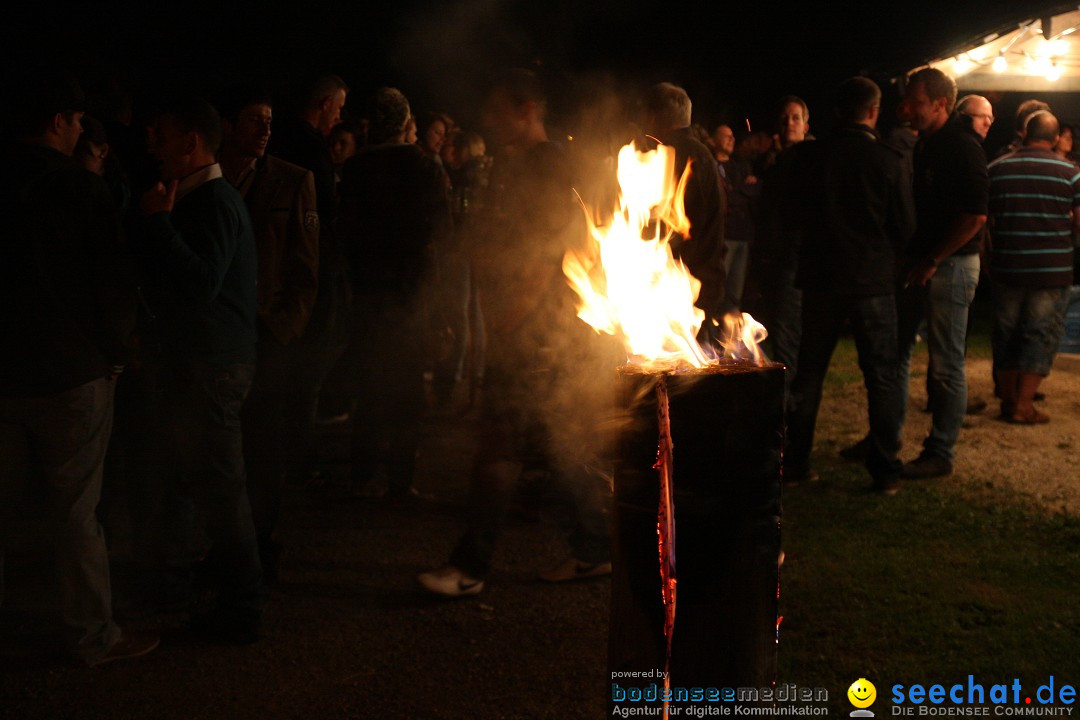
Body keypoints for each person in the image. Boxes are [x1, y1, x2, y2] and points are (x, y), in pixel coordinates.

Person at [418, 69, 614, 597]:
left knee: (500, 448)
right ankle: (595, 547)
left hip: (537, 330)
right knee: (553, 444)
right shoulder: (515, 163)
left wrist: (509, 322)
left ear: (528, 110)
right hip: (532, 327)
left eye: (498, 108)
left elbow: (548, 250)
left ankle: (470, 567)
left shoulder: (548, 164)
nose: (487, 118)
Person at [0, 70, 156, 666]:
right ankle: (91, 633)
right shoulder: (79, 189)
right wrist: (118, 352)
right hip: (70, 375)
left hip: (5, 372)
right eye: (74, 121)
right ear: (58, 123)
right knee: (74, 511)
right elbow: (111, 284)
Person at [138, 96, 266, 642]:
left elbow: (199, 283)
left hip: (213, 368)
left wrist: (160, 226)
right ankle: (186, 585)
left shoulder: (213, 201)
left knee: (221, 491)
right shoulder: (203, 196)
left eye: (162, 134)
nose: (153, 145)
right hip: (202, 363)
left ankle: (242, 611)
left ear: (191, 141)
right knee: (197, 483)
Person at [784, 77, 915, 495]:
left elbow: (795, 216)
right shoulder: (888, 159)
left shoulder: (809, 157)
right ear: (873, 112)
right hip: (872, 281)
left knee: (809, 375)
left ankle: (797, 461)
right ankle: (885, 470)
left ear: (838, 111)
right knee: (882, 375)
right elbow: (905, 226)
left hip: (821, 278)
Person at [217, 84, 320, 582]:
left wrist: (283, 328)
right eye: (254, 119)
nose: (264, 130)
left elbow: (306, 266)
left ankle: (258, 545)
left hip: (266, 334)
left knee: (262, 447)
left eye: (270, 121)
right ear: (228, 125)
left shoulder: (292, 181)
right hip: (220, 335)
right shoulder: (208, 177)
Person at [335, 87, 451, 498]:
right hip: (411, 292)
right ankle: (400, 479)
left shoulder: (353, 170)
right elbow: (439, 237)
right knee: (406, 389)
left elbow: (344, 235)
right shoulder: (425, 167)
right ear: (405, 124)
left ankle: (361, 475)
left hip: (368, 290)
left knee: (369, 385)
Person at [897, 68, 988, 479]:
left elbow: (975, 217)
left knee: (947, 363)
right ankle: (886, 434)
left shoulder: (962, 147)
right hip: (926, 264)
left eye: (916, 102)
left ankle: (941, 452)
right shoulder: (927, 144)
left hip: (950, 266)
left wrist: (934, 258)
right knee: (897, 351)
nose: (907, 109)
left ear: (941, 104)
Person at [268, 73, 352, 475]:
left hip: (282, 265)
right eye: (337, 107)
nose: (340, 116)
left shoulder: (282, 140)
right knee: (313, 356)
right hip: (312, 266)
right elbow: (325, 215)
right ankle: (296, 448)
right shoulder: (311, 148)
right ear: (323, 104)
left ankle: (286, 441)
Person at [987, 111, 1079, 423]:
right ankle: (1023, 406)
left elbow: (984, 220)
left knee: (1006, 333)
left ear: (1025, 134)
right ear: (1055, 139)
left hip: (1008, 264)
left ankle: (1007, 400)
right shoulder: (1071, 173)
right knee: (1039, 334)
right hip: (1051, 269)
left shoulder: (996, 168)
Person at [641, 82, 727, 338]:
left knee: (684, 370)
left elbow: (672, 229)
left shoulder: (671, 157)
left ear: (652, 116)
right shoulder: (698, 153)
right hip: (701, 279)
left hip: (684, 284)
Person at [744, 95, 813, 390]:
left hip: (793, 260)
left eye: (796, 118)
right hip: (768, 259)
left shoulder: (810, 159)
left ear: (806, 124)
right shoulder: (772, 161)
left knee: (786, 337)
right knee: (767, 333)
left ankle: (786, 407)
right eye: (785, 118)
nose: (790, 124)